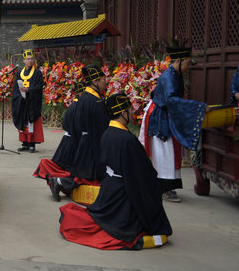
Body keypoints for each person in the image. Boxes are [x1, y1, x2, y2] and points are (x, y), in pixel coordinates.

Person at [59, 94, 172, 250]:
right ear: (123, 112)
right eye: (130, 110)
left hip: (109, 187)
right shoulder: (126, 139)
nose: (133, 113)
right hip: (122, 192)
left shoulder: (107, 132)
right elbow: (140, 173)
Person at [139, 46, 207, 203]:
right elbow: (172, 100)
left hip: (166, 113)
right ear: (178, 61)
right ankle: (163, 188)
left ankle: (166, 187)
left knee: (169, 152)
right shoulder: (169, 77)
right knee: (164, 153)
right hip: (160, 116)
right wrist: (198, 107)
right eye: (187, 63)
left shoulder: (175, 74)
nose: (188, 67)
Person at [11, 49, 44, 153]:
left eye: (31, 59)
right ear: (24, 61)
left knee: (31, 122)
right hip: (22, 101)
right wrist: (20, 96)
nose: (30, 61)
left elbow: (39, 87)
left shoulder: (37, 73)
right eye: (27, 59)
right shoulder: (19, 73)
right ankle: (24, 143)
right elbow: (16, 87)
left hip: (32, 102)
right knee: (22, 121)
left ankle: (32, 143)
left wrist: (29, 90)